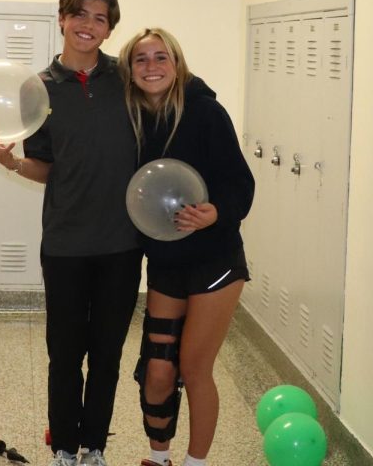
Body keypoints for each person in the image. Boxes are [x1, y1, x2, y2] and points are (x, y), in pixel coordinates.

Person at [0, 0, 141, 466]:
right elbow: (45, 167)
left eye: (100, 19)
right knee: (65, 356)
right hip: (65, 244)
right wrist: (11, 164)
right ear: (62, 18)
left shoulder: (126, 78)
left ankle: (95, 448)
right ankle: (65, 448)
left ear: (109, 30)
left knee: (106, 355)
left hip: (122, 245)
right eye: (80, 15)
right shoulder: (38, 90)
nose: (89, 26)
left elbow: (173, 91)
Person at [117, 28, 255, 466]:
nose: (152, 66)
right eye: (141, 59)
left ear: (177, 65)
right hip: (166, 263)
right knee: (157, 373)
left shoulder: (206, 113)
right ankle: (160, 458)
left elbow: (240, 183)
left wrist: (216, 212)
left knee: (194, 369)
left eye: (162, 57)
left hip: (216, 263)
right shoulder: (130, 118)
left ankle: (195, 463)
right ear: (130, 69)